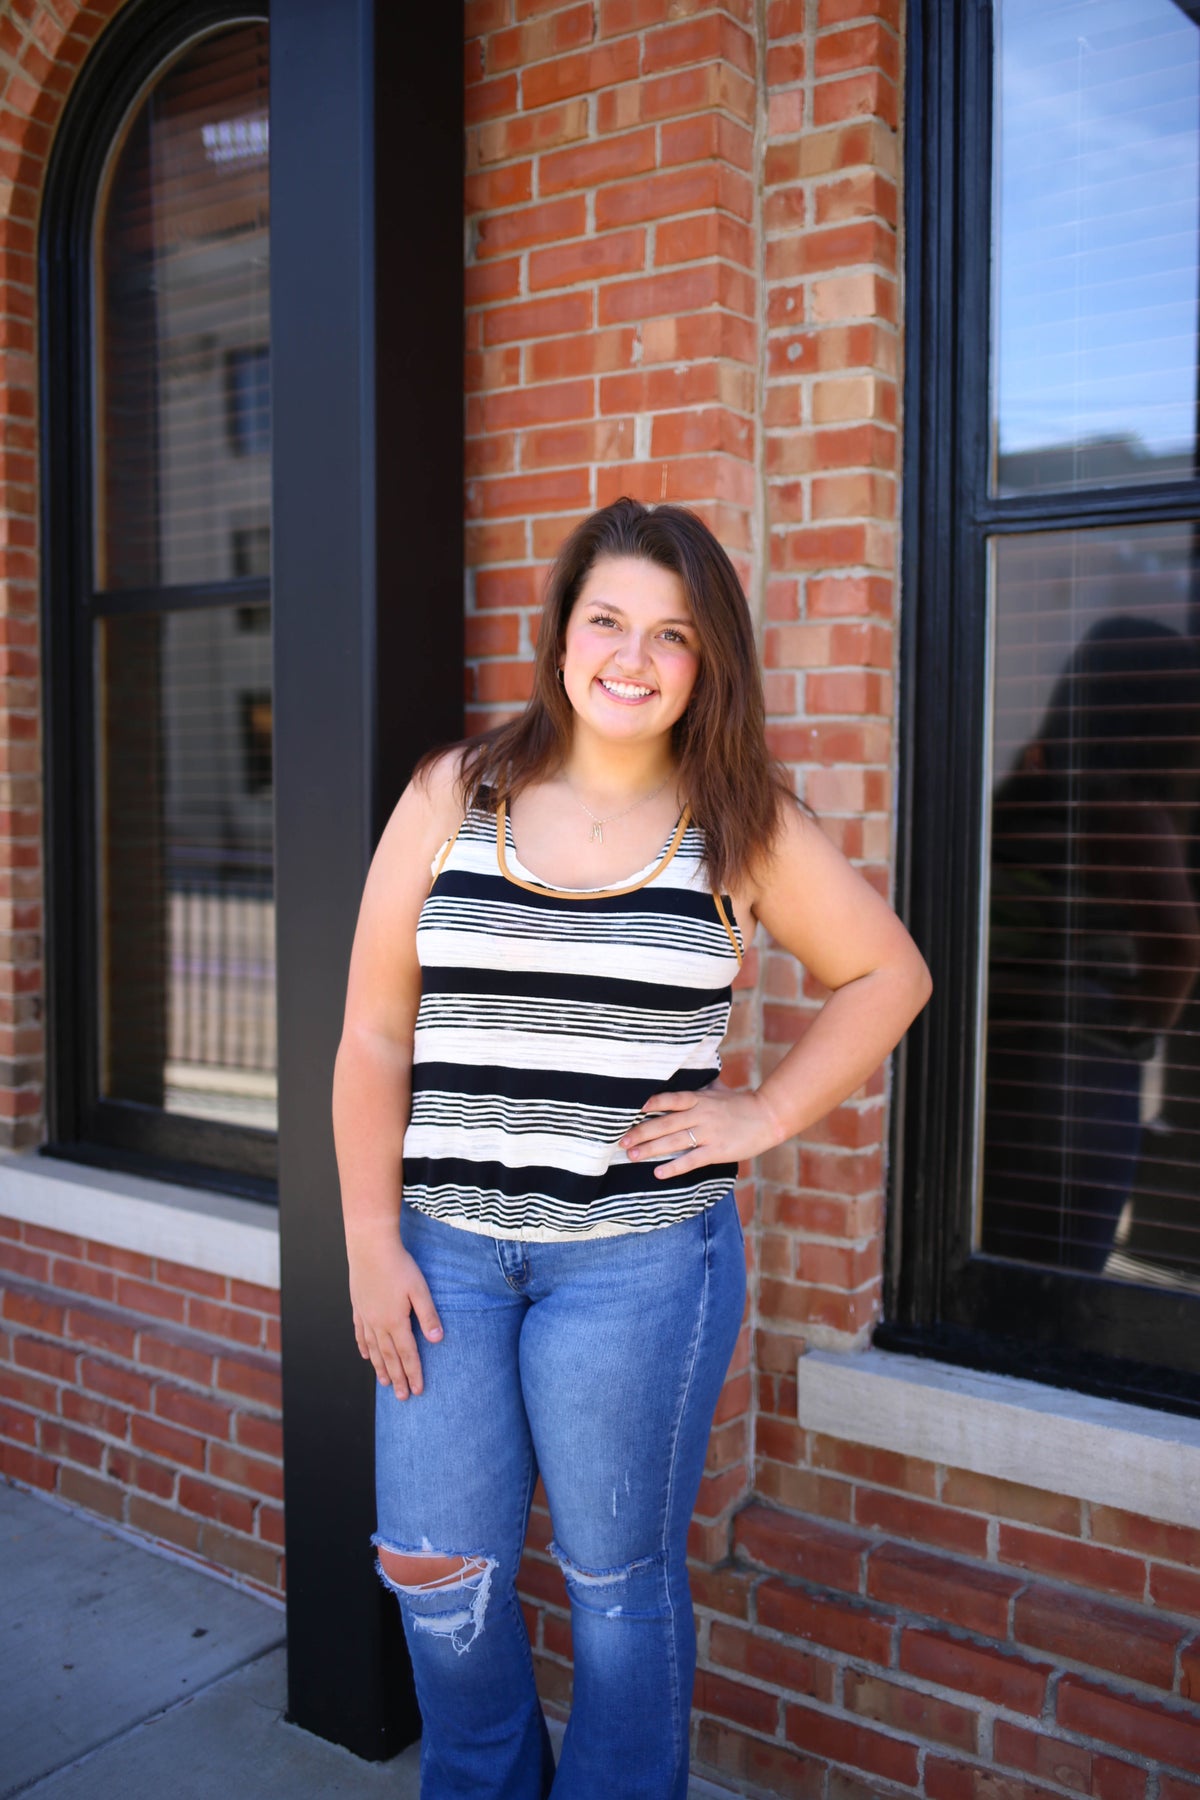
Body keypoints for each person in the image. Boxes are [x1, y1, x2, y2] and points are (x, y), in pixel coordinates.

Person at [331, 497, 931, 1800]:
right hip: (444, 1259)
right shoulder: (455, 792)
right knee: (436, 1567)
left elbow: (887, 973)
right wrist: (371, 1240)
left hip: (641, 1265)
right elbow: (375, 1035)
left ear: (706, 663)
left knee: (616, 1587)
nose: (632, 656)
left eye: (672, 634)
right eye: (607, 620)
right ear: (560, 639)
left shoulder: (743, 822)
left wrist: (762, 1113)